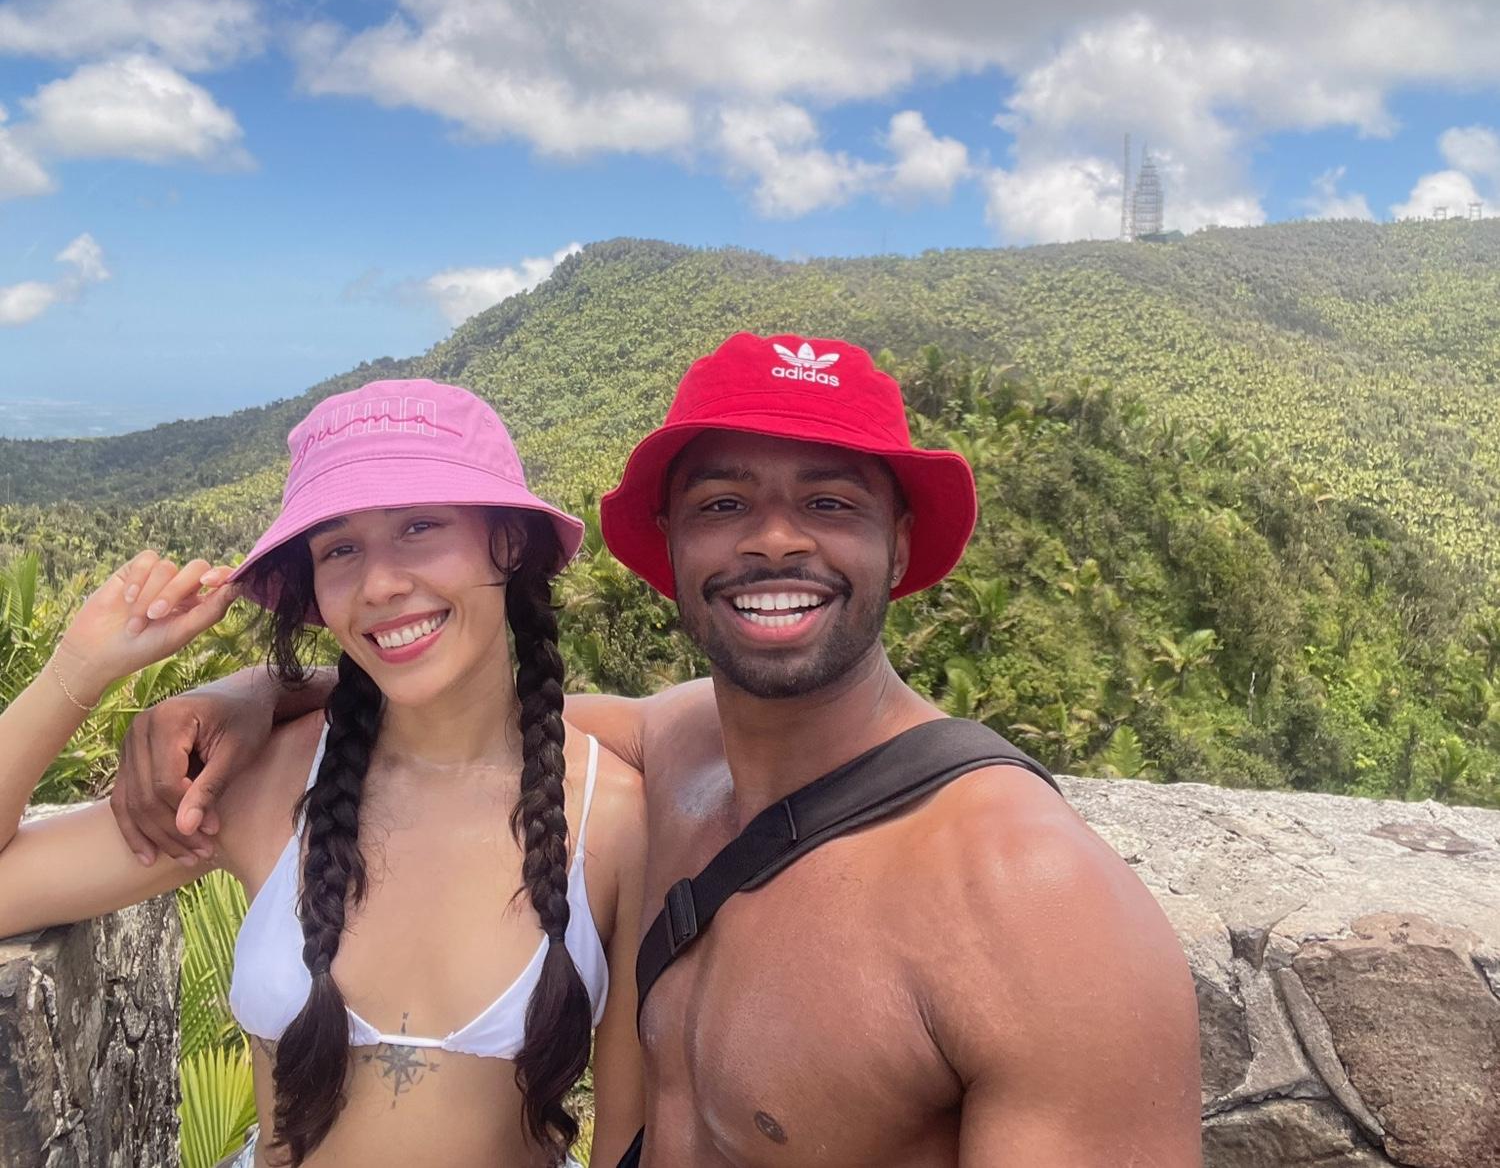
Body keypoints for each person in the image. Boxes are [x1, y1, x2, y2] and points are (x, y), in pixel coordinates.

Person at [115, 335, 1204, 1167]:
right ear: (672, 542)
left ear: (900, 540)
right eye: (725, 502)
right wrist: (255, 691)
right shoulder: (675, 745)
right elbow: (460, 705)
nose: (775, 539)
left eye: (829, 501)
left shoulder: (1028, 900)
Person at [0, 379, 645, 1168]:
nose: (379, 585)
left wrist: (258, 688)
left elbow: (629, 1141)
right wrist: (77, 671)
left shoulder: (614, 817)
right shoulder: (263, 783)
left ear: (507, 542)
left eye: (419, 526)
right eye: (340, 548)